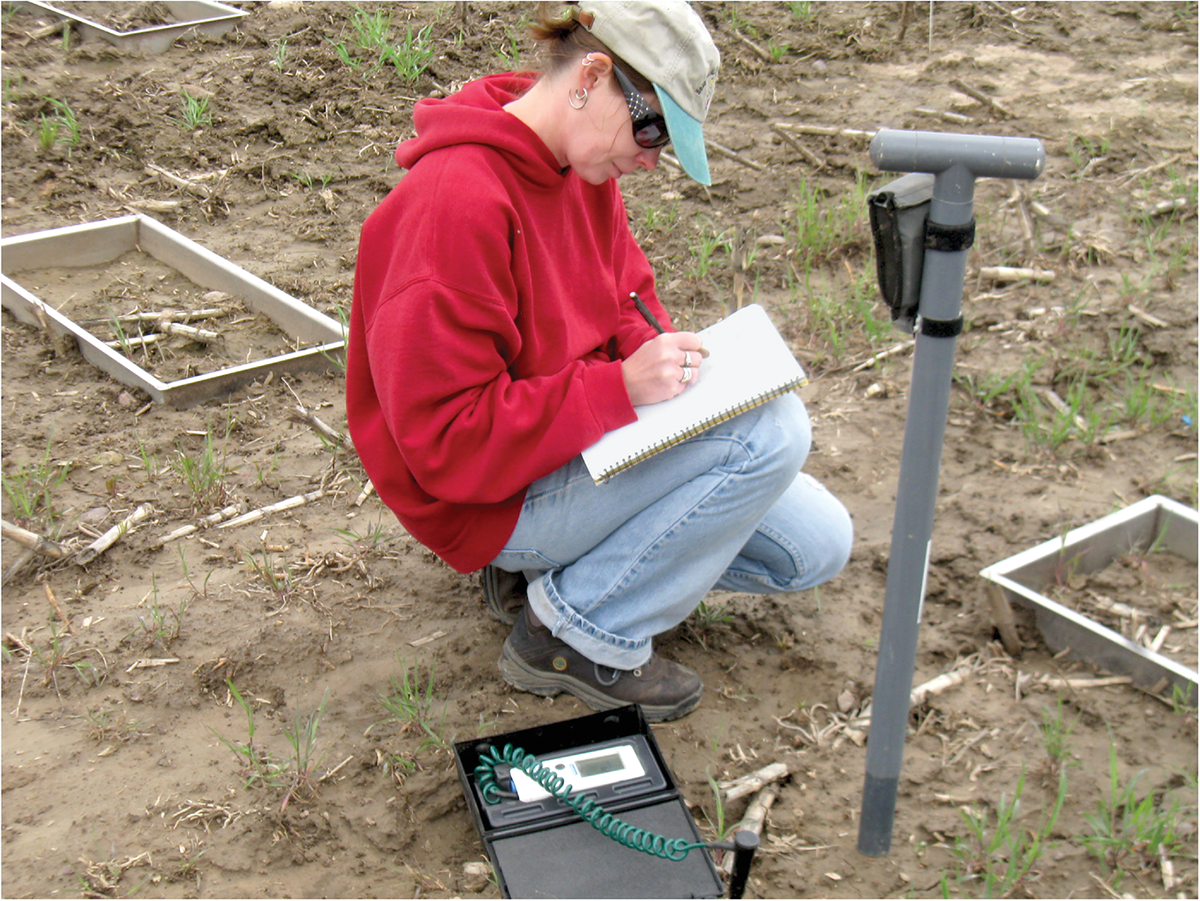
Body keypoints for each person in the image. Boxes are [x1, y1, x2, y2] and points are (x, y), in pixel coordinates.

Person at [346, 1, 852, 723]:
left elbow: (624, 301)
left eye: (666, 144)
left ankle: (565, 572)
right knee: (769, 435)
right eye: (651, 129)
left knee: (815, 546)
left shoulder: (580, 169)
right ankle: (572, 631)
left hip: (570, 447)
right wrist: (617, 389)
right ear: (592, 75)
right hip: (487, 495)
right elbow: (448, 447)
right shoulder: (452, 206)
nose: (650, 158)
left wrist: (671, 376)